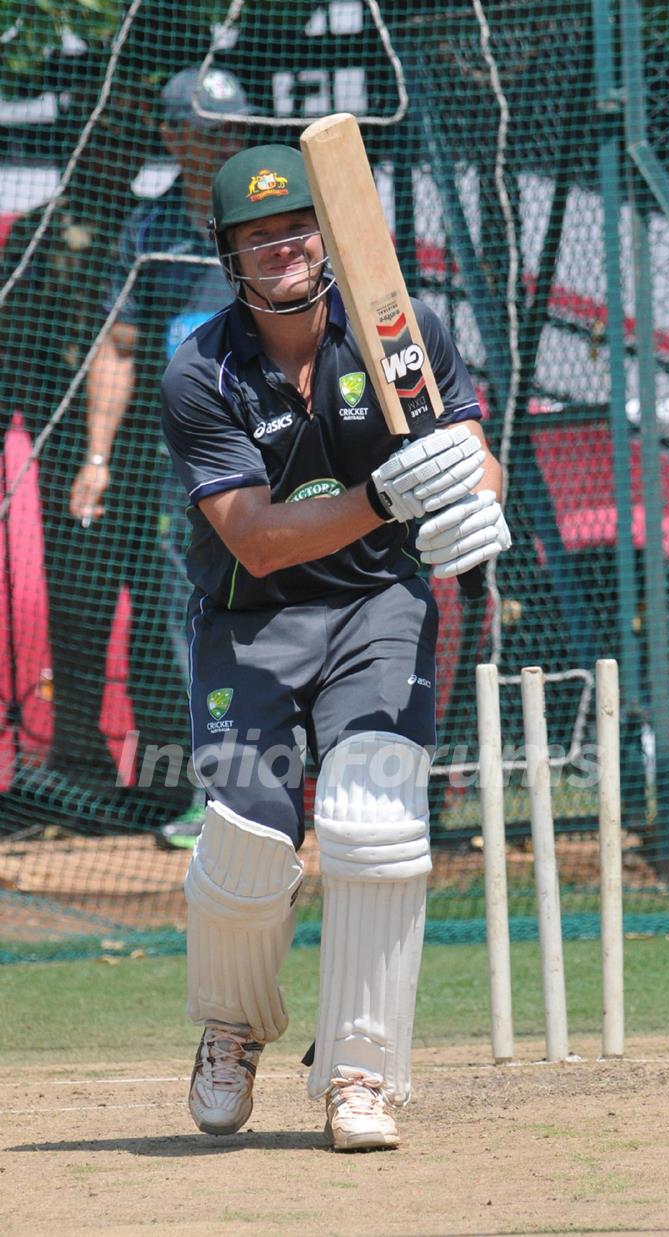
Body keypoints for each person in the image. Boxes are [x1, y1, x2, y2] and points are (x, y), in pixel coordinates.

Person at [160, 141, 511, 1150]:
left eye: (297, 227)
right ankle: (233, 1028)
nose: (283, 248)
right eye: (257, 236)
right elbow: (258, 540)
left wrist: (481, 506)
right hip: (252, 619)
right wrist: (386, 497)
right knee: (245, 845)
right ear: (230, 255)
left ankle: (360, 1072)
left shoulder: (401, 335)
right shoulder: (201, 372)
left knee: (372, 822)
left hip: (375, 609)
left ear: (328, 233)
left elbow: (470, 457)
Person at [52, 64, 255, 829]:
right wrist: (97, 458)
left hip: (278, 457)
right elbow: (121, 348)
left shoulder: (271, 214)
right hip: (189, 469)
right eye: (210, 130)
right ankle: (221, 796)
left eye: (236, 127)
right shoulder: (149, 230)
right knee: (190, 616)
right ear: (173, 137)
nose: (227, 141)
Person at [0, 73, 158, 827]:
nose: (120, 157)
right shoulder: (42, 232)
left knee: (162, 613)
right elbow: (13, 344)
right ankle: (81, 768)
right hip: (76, 457)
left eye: (131, 144)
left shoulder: (152, 228)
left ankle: (163, 775)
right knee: (82, 614)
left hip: (156, 454)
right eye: (110, 142)